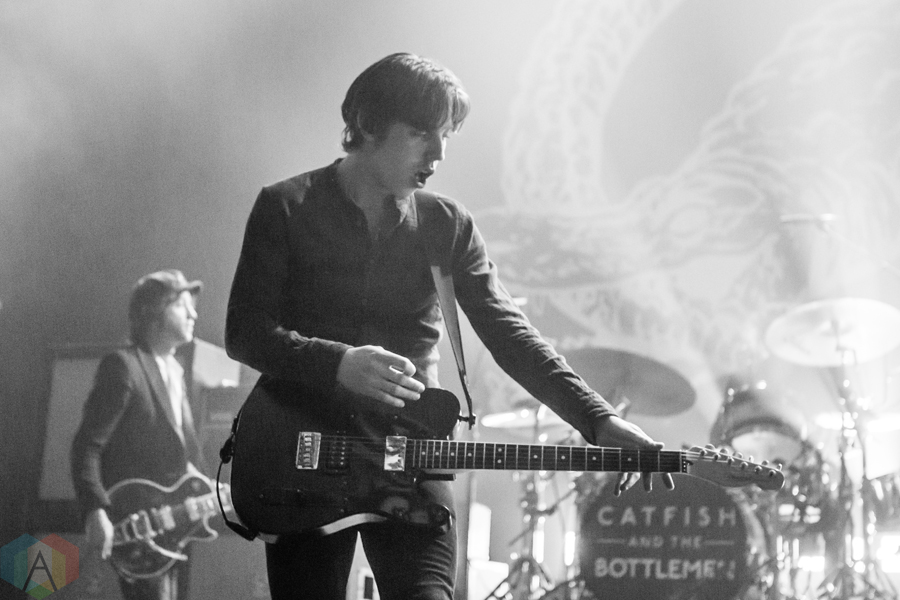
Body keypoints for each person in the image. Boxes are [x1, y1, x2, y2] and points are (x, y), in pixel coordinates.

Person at [225, 52, 672, 600]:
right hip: (305, 455)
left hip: (412, 452)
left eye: (446, 137)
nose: (438, 154)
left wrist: (597, 418)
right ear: (367, 124)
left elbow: (510, 335)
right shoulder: (285, 206)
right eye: (421, 134)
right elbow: (244, 332)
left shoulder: (447, 225)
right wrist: (337, 363)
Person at [71, 269, 206, 600]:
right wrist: (95, 510)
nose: (193, 314)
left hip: (172, 527)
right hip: (136, 523)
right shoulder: (124, 366)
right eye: (182, 305)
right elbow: (87, 446)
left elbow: (185, 459)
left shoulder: (176, 373)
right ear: (154, 312)